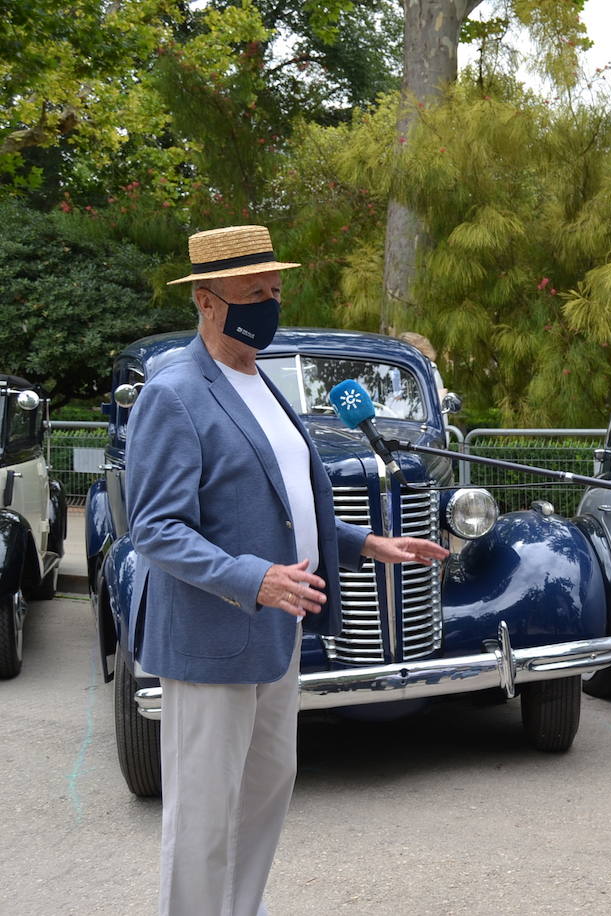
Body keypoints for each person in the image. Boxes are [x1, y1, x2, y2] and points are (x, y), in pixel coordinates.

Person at [125, 224, 450, 916]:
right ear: (207, 301)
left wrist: (368, 545)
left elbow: (280, 508)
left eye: (275, 289)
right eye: (254, 293)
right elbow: (155, 527)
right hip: (213, 638)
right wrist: (256, 579)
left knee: (268, 788)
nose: (270, 304)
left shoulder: (261, 383)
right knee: (205, 813)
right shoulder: (174, 392)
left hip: (275, 636)